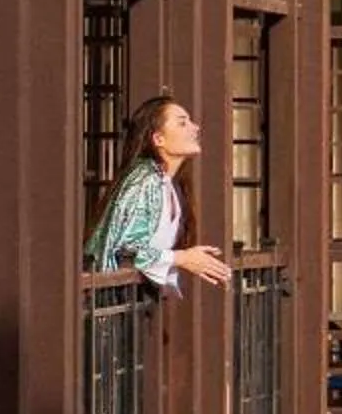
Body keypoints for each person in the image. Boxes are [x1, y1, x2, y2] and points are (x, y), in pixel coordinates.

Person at [85, 93, 233, 293]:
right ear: (158, 139)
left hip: (129, 303)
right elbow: (127, 251)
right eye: (182, 123)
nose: (195, 128)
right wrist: (181, 258)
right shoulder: (145, 180)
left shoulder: (166, 182)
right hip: (114, 302)